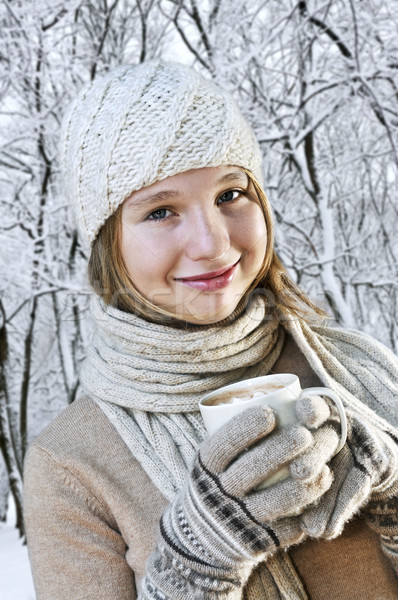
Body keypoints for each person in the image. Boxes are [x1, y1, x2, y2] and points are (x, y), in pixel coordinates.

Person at [23, 61, 398, 600]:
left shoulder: (361, 375)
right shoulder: (72, 463)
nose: (213, 244)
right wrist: (196, 566)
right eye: (160, 212)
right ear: (110, 240)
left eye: (230, 196)